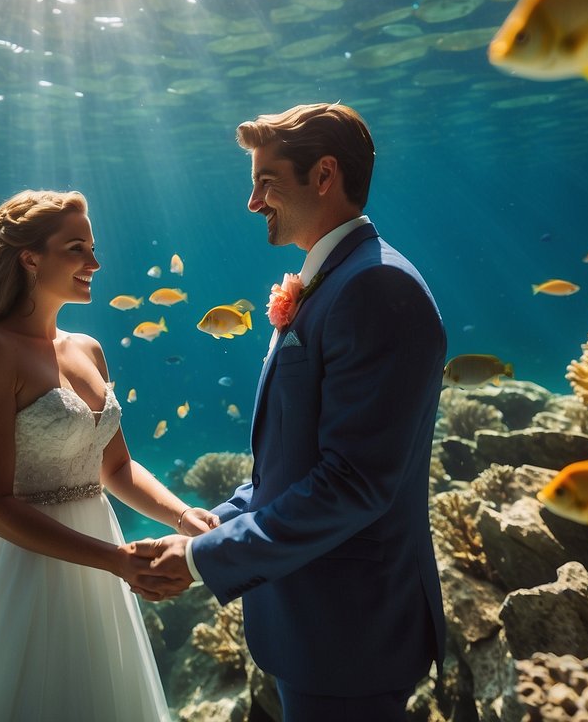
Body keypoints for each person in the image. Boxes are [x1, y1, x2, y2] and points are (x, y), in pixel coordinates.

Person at [132, 104, 447, 721]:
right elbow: (294, 460)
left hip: (350, 634)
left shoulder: (376, 288)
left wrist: (201, 561)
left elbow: (352, 482)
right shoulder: (338, 279)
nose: (253, 202)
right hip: (315, 628)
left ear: (324, 175)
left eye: (266, 181)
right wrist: (213, 523)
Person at [0, 189, 216, 722]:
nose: (95, 262)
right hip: (26, 573)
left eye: (92, 248)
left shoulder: (90, 348)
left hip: (101, 567)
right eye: (77, 248)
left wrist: (183, 516)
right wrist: (117, 561)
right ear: (30, 257)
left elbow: (115, 467)